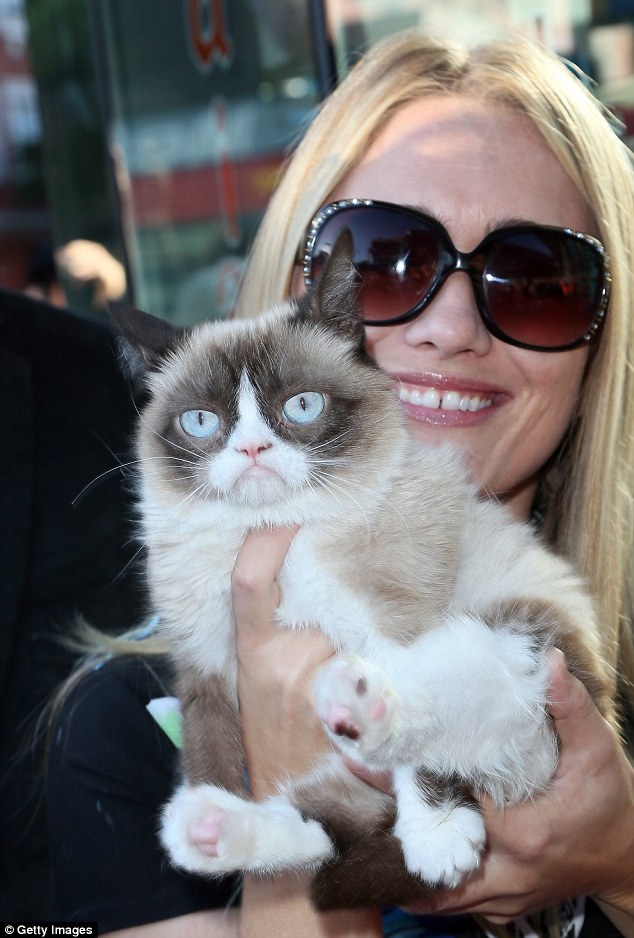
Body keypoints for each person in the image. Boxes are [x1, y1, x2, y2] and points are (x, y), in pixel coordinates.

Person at [45, 29, 634, 938]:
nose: (449, 326)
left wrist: (624, 865)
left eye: (534, 279)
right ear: (295, 293)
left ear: (602, 344)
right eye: (384, 259)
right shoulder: (135, 737)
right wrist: (287, 801)